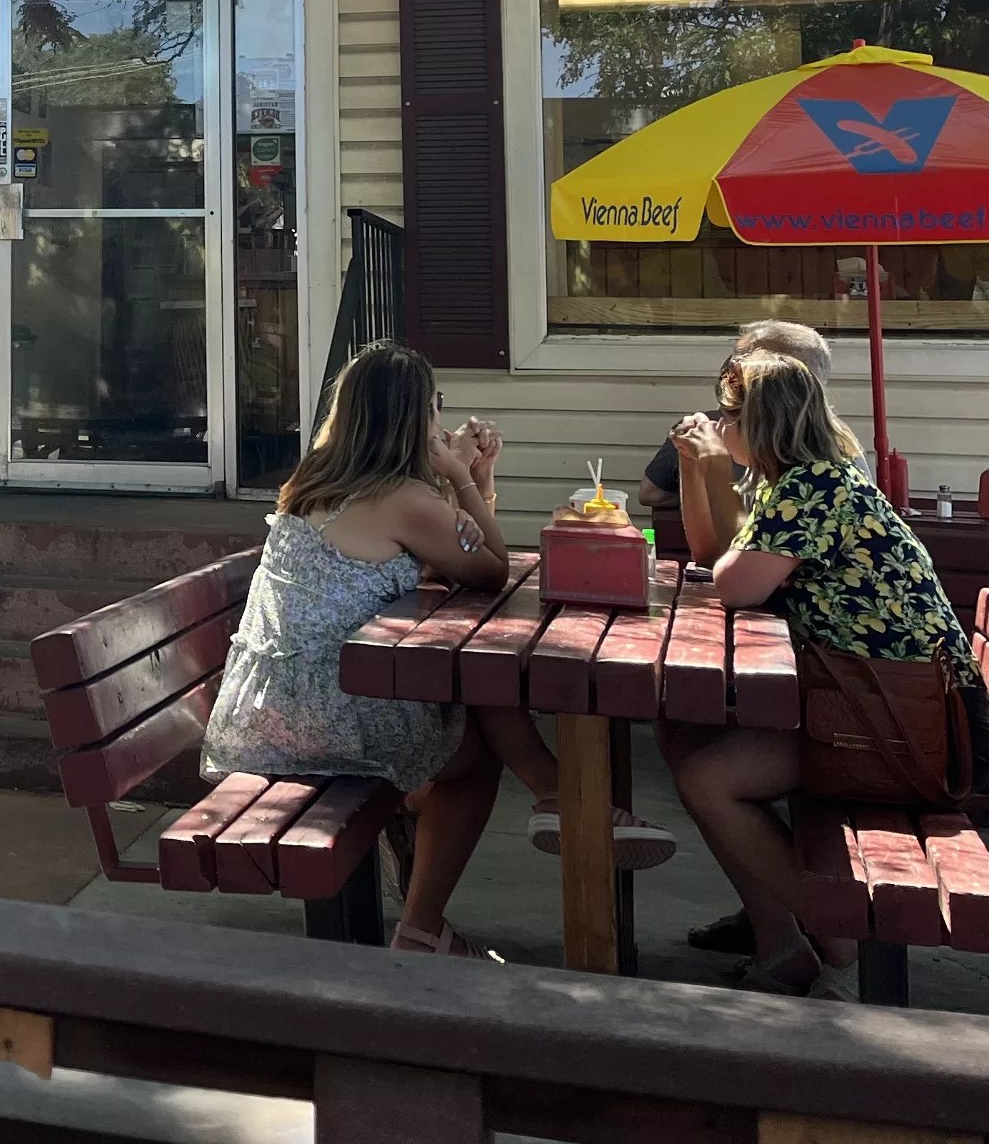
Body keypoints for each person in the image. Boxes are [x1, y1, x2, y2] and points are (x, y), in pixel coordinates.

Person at [203, 340, 671, 959]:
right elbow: (491, 570)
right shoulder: (402, 497)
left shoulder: (317, 480)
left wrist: (474, 485)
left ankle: (560, 800)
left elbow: (454, 558)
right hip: (327, 710)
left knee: (471, 692)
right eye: (435, 404)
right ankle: (445, 906)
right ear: (413, 417)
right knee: (472, 753)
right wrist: (462, 477)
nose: (441, 417)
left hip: (278, 702)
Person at [661, 349, 980, 999]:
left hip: (899, 729)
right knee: (686, 735)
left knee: (709, 778)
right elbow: (712, 554)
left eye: (729, 415)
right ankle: (780, 943)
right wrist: (698, 468)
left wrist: (716, 467)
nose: (719, 425)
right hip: (876, 707)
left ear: (762, 423)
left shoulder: (814, 488)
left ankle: (838, 937)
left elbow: (735, 586)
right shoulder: (795, 483)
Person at [634, 317, 833, 539]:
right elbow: (712, 553)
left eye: (750, 364)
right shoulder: (773, 467)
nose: (730, 372)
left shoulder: (816, 478)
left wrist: (716, 465)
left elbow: (740, 555)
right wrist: (690, 464)